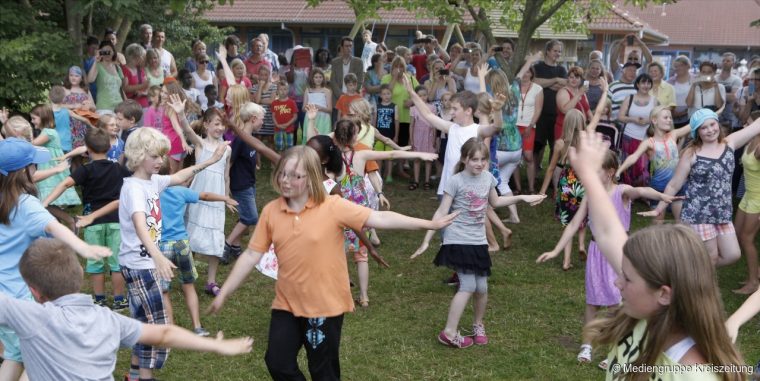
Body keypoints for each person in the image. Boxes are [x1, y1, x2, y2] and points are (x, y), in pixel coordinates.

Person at [208, 145, 456, 380]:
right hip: (287, 304)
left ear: (312, 177)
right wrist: (225, 292)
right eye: (283, 173)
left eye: (295, 176)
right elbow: (251, 254)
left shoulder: (332, 206)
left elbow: (379, 218)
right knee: (277, 362)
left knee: (323, 372)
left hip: (324, 306)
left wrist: (429, 224)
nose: (285, 180)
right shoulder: (272, 211)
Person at [569, 130, 746, 381]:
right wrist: (589, 175)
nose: (618, 281)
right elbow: (608, 231)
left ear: (664, 293)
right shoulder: (646, 309)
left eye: (627, 278)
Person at [0, 237, 252, 381]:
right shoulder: (109, 320)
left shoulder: (31, 317)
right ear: (78, 274)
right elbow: (164, 334)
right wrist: (217, 345)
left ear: (34, 291)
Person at [538, 149, 675, 366]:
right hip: (595, 253)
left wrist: (661, 197)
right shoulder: (591, 194)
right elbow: (574, 223)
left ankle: (617, 350)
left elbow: (641, 191)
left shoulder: (622, 191)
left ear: (610, 172)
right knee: (592, 301)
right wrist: (556, 250)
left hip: (620, 254)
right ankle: (587, 345)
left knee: (617, 304)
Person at [118, 127, 227, 381]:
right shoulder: (134, 188)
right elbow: (139, 223)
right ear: (137, 155)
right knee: (154, 327)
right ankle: (145, 377)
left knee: (144, 323)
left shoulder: (152, 181)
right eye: (154, 156)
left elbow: (179, 176)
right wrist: (156, 255)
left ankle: (135, 375)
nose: (160, 161)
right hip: (141, 265)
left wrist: (210, 161)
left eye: (162, 156)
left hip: (144, 263)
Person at [412, 138, 544, 348]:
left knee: (482, 287)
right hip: (457, 239)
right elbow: (441, 211)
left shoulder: (488, 178)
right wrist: (427, 239)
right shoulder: (455, 180)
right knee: (468, 284)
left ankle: (477, 324)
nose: (479, 163)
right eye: (474, 159)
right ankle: (449, 332)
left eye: (483, 159)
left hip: (478, 241)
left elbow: (496, 202)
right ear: (465, 159)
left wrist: (522, 198)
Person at [0, 136, 111, 381]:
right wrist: (84, 247)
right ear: (24, 172)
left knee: (15, 354)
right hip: (21, 298)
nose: (36, 169)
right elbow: (54, 227)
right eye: (33, 165)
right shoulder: (25, 203)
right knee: (39, 356)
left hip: (2, 298)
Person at [646, 109, 760, 266]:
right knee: (711, 257)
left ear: (717, 123)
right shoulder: (692, 153)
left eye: (712, 124)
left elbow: (756, 126)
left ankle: (687, 268)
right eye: (703, 128)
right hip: (698, 213)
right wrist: (659, 208)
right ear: (697, 132)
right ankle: (698, 283)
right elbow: (674, 184)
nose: (710, 130)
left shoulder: (729, 144)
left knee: (732, 254)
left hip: (722, 213)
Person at [42, 128, 130, 310]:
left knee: (95, 261)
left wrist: (46, 202)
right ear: (108, 147)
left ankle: (99, 299)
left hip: (92, 222)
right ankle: (120, 299)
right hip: (116, 221)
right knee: (116, 263)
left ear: (87, 149)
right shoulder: (118, 168)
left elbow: (65, 183)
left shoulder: (85, 169)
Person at [174, 102, 233, 297]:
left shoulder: (227, 149)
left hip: (216, 198)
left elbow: (226, 175)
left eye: (222, 124)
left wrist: (226, 197)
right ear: (206, 125)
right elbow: (187, 129)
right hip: (199, 194)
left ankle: (211, 282)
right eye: (216, 123)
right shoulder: (201, 144)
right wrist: (181, 114)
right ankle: (186, 276)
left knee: (216, 238)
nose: (220, 128)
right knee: (191, 235)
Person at [616, 106, 690, 224]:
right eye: (665, 117)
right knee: (658, 225)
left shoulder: (674, 134)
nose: (669, 120)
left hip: (677, 184)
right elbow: (633, 157)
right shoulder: (648, 142)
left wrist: (711, 113)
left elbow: (694, 124)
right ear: (654, 120)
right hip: (658, 188)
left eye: (670, 118)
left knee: (682, 223)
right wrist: (619, 171)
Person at [30, 104, 81, 230]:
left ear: (43, 117)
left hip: (51, 170)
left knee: (46, 202)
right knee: (48, 202)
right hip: (48, 168)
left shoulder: (48, 132)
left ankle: (70, 220)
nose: (32, 121)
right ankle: (59, 230)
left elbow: (32, 144)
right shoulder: (46, 132)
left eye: (34, 118)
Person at [532, 40, 568, 174]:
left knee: (555, 146)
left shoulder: (561, 69)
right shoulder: (538, 67)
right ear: (548, 51)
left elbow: (564, 84)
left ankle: (552, 173)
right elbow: (534, 82)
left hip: (557, 113)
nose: (558, 53)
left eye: (560, 51)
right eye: (555, 50)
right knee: (538, 145)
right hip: (539, 112)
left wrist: (545, 84)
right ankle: (534, 173)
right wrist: (555, 80)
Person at [618, 73, 658, 187]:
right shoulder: (629, 98)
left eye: (648, 83)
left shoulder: (654, 100)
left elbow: (657, 118)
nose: (646, 85)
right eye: (643, 82)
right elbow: (620, 117)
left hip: (646, 138)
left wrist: (649, 120)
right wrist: (633, 119)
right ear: (637, 84)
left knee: (643, 165)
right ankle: (627, 189)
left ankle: (641, 191)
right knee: (628, 164)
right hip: (629, 136)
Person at [514, 53, 544, 194]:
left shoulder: (538, 89)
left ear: (532, 73)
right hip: (514, 126)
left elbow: (538, 110)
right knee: (514, 156)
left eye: (528, 71)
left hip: (528, 126)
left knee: (528, 156)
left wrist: (531, 126)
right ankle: (518, 187)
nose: (526, 74)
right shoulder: (514, 87)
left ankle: (531, 187)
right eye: (523, 71)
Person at [409, 85, 437, 190]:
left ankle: (427, 181)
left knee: (428, 159)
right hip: (417, 136)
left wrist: (434, 138)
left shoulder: (432, 108)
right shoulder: (413, 109)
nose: (422, 98)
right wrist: (411, 139)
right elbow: (411, 125)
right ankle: (416, 180)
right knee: (417, 159)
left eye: (424, 95)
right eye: (420, 96)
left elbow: (434, 124)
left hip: (428, 136)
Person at [61, 66, 96, 150]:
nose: (73, 78)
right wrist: (74, 106)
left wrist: (89, 106)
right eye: (71, 75)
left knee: (82, 151)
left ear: (81, 78)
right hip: (68, 124)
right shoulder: (64, 89)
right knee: (69, 151)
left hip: (82, 124)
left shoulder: (85, 90)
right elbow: (57, 106)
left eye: (76, 76)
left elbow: (94, 107)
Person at [554, 66, 592, 142]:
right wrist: (579, 94)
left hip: (580, 131)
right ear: (568, 78)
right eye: (571, 77)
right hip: (565, 130)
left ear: (581, 80)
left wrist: (591, 125)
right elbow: (564, 110)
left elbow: (588, 111)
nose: (574, 79)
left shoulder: (583, 93)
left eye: (577, 77)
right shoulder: (563, 91)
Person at [86, 40, 124, 115]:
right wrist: (96, 61)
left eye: (109, 51)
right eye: (104, 51)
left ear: (113, 52)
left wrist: (127, 102)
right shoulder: (98, 65)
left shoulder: (117, 67)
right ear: (100, 52)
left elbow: (121, 89)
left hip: (119, 107)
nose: (107, 53)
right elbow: (90, 80)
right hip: (104, 107)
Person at [330, 36, 364, 107]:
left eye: (350, 46)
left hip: (353, 100)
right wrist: (342, 96)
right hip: (338, 99)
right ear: (342, 48)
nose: (349, 48)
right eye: (346, 46)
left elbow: (360, 81)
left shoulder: (358, 62)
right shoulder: (335, 62)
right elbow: (333, 81)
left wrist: (350, 95)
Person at [303, 68, 332, 139]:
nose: (318, 79)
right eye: (316, 77)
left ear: (323, 78)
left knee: (323, 138)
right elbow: (303, 108)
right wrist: (309, 108)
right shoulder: (308, 90)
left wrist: (320, 107)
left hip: (323, 119)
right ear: (312, 78)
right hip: (310, 117)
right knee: (310, 138)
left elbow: (330, 109)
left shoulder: (327, 91)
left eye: (320, 77)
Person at [717, 52, 743, 131]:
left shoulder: (737, 80)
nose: (725, 62)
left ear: (733, 64)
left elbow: (733, 97)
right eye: (723, 60)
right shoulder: (714, 78)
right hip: (716, 117)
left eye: (728, 61)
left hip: (730, 119)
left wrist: (715, 94)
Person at [668, 55, 695, 127]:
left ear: (687, 66)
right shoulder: (670, 81)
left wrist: (684, 112)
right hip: (672, 116)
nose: (678, 68)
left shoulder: (695, 80)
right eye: (676, 66)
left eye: (681, 65)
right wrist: (672, 112)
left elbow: (697, 99)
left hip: (690, 116)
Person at [121, 43, 149, 109]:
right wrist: (141, 86)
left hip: (144, 103)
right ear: (136, 56)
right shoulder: (124, 69)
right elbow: (125, 88)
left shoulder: (141, 70)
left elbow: (147, 85)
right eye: (142, 56)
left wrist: (144, 92)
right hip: (131, 106)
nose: (143, 59)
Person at [272, 81, 298, 152]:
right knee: (278, 146)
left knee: (289, 146)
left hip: (289, 129)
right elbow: (273, 116)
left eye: (285, 89)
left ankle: (288, 160)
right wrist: (277, 124)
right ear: (277, 91)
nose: (283, 91)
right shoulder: (274, 103)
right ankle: (279, 159)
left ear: (288, 90)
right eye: (281, 89)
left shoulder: (292, 102)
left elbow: (295, 116)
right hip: (278, 129)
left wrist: (287, 124)